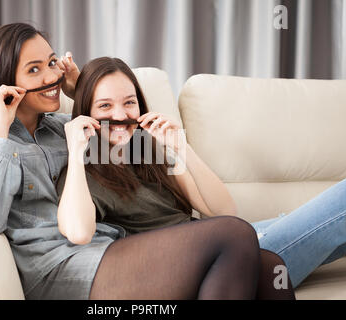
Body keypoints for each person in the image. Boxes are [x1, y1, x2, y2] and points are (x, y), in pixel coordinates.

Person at [0, 23, 294, 300]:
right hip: (56, 270)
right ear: (4, 81)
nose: (51, 75)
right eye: (35, 69)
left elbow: (111, 123)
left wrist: (78, 88)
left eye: (52, 63)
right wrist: (1, 132)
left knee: (269, 268)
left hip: (110, 248)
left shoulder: (59, 126)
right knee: (234, 234)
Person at [50, 56, 295, 300]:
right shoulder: (85, 172)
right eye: (105, 106)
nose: (120, 115)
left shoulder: (149, 152)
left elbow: (223, 210)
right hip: (164, 268)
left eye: (129, 103)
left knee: (272, 267)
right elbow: (78, 232)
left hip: (204, 253)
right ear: (87, 113)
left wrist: (181, 147)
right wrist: (76, 152)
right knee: (237, 233)